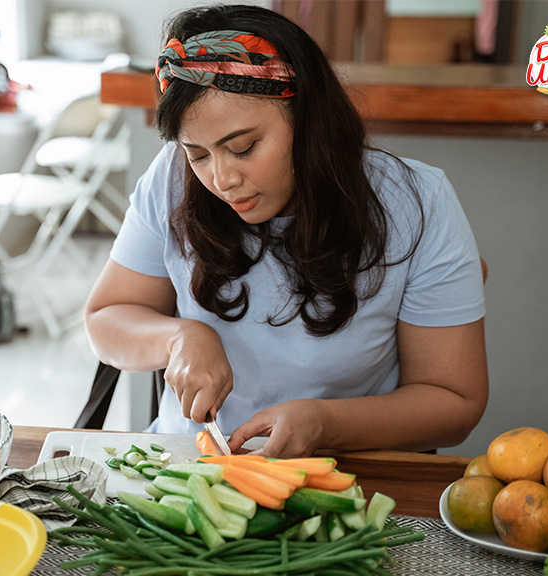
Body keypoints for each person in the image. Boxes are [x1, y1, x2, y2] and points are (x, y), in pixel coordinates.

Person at [84, 4, 488, 457]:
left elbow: (455, 403)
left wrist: (324, 424)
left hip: (339, 480)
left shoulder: (416, 202)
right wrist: (179, 337)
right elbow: (105, 319)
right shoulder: (171, 179)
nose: (222, 179)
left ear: (307, 119)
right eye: (198, 154)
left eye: (243, 147)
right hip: (188, 465)